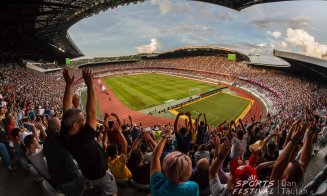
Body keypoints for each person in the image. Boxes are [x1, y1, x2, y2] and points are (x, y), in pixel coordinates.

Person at [60, 68, 117, 196]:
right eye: (82, 119)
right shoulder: (84, 139)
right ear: (75, 125)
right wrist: (90, 84)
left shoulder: (65, 134)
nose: (85, 120)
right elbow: (91, 112)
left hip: (87, 174)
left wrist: (68, 85)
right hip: (101, 176)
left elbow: (66, 111)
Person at [150, 126, 199, 196]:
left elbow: (155, 158)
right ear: (189, 173)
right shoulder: (193, 187)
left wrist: (165, 136)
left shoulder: (158, 183)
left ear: (164, 168)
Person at [44, 117, 85, 196]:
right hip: (70, 177)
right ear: (58, 127)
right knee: (90, 178)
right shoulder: (60, 138)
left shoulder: (46, 140)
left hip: (57, 179)